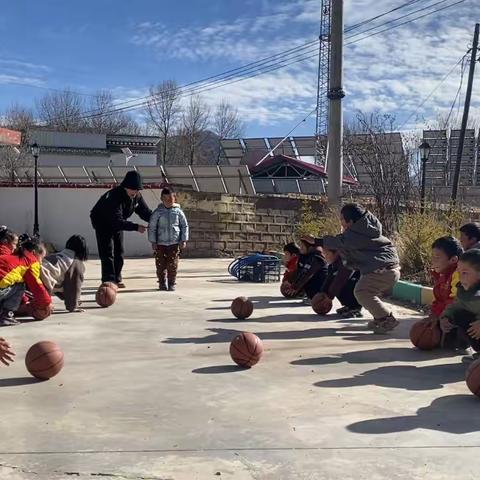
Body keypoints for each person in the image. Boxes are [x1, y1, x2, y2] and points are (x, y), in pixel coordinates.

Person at [309, 203, 400, 334]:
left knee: (362, 292)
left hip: (382, 270)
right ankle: (379, 318)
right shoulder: (365, 230)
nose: (340, 222)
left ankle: (386, 318)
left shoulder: (358, 233)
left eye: (341, 219)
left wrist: (316, 241)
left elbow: (341, 242)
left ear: (350, 221)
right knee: (365, 292)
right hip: (385, 269)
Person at [90, 171, 152, 287]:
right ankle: (108, 280)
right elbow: (117, 222)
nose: (135, 191)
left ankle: (117, 278)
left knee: (119, 251)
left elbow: (144, 212)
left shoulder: (136, 196)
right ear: (125, 187)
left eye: (137, 189)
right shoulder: (114, 197)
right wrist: (135, 227)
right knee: (107, 251)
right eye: (132, 189)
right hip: (102, 222)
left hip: (118, 222)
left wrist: (155, 220)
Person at [0, 237, 51, 326]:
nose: (41, 262)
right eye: (42, 258)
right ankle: (7, 316)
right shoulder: (31, 261)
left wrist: (25, 302)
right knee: (20, 285)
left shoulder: (10, 256)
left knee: (13, 282)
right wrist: (46, 304)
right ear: (34, 253)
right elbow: (37, 286)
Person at [441, 249, 480, 362]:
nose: (460, 277)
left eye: (465, 273)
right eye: (459, 272)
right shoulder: (463, 290)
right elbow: (456, 306)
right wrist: (445, 317)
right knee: (458, 314)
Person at [148, 188, 188, 291]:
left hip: (174, 243)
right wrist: (153, 241)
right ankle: (161, 283)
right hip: (160, 243)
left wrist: (183, 240)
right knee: (160, 264)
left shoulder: (178, 212)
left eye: (170, 198)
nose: (168, 201)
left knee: (172, 264)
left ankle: (171, 283)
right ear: (161, 199)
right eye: (165, 199)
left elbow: (184, 226)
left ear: (175, 198)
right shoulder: (158, 212)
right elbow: (152, 227)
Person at [41, 235, 89, 312]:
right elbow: (73, 287)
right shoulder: (76, 264)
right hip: (43, 279)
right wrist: (73, 305)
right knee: (41, 309)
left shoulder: (60, 255)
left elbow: (58, 284)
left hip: (36, 271)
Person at [321, 246, 362, 318]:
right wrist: (322, 293)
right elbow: (328, 280)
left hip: (360, 284)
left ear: (336, 253)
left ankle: (355, 308)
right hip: (351, 282)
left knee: (346, 284)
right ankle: (348, 306)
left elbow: (342, 278)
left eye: (327, 254)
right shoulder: (332, 265)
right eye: (324, 254)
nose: (325, 257)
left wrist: (330, 296)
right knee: (332, 283)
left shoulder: (345, 260)